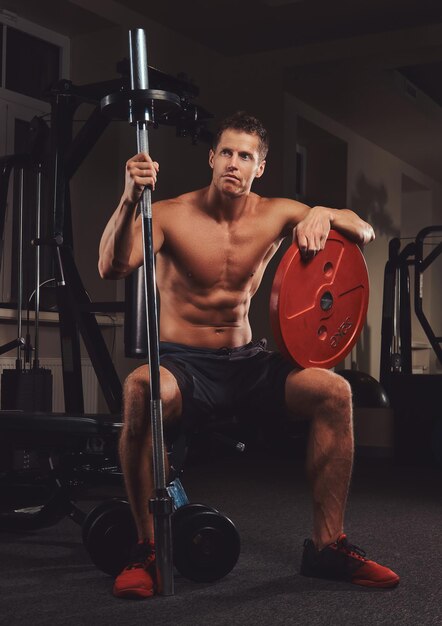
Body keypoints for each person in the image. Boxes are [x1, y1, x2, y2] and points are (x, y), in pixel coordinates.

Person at [99, 111, 399, 599]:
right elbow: (111, 265)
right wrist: (130, 197)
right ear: (211, 158)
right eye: (227, 153)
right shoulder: (172, 214)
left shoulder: (276, 213)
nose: (233, 164)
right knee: (141, 389)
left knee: (333, 391)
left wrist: (323, 211)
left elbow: (362, 231)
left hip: (247, 363)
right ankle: (147, 548)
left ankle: (328, 547)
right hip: (186, 365)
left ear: (260, 166)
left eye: (246, 156)